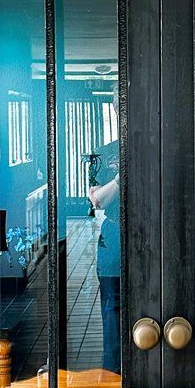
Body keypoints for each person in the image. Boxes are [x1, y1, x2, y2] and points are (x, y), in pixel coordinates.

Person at [87, 134, 121, 374]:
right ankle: (111, 372)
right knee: (112, 306)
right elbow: (97, 199)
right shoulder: (105, 152)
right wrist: (122, 176)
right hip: (115, 237)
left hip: (154, 236)